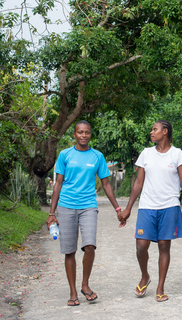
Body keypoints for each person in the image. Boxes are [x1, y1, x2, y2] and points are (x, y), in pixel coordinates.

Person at [46, 120, 122, 307]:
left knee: (90, 246)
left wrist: (118, 208)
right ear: (74, 134)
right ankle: (73, 292)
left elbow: (106, 184)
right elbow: (58, 184)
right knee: (69, 250)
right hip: (66, 206)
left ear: (90, 134)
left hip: (88, 206)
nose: (84, 135)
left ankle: (85, 285)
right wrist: (51, 212)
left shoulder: (97, 156)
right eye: (80, 132)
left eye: (87, 132)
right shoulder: (65, 155)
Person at [119, 120, 182, 302]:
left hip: (169, 206)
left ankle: (160, 287)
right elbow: (138, 182)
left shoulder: (177, 154)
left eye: (155, 129)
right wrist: (129, 208)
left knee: (164, 246)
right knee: (141, 246)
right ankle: (145, 276)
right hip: (147, 205)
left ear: (165, 131)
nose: (151, 132)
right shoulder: (146, 154)